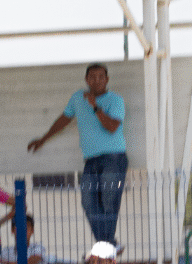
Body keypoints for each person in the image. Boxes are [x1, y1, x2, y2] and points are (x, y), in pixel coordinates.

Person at [27, 63, 127, 244]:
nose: (96, 81)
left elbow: (112, 127)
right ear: (86, 80)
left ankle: (105, 245)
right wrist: (43, 139)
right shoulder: (77, 98)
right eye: (92, 77)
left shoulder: (116, 100)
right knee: (88, 202)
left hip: (114, 158)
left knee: (108, 201)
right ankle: (107, 244)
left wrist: (95, 107)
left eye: (101, 77)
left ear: (107, 79)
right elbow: (64, 120)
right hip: (90, 160)